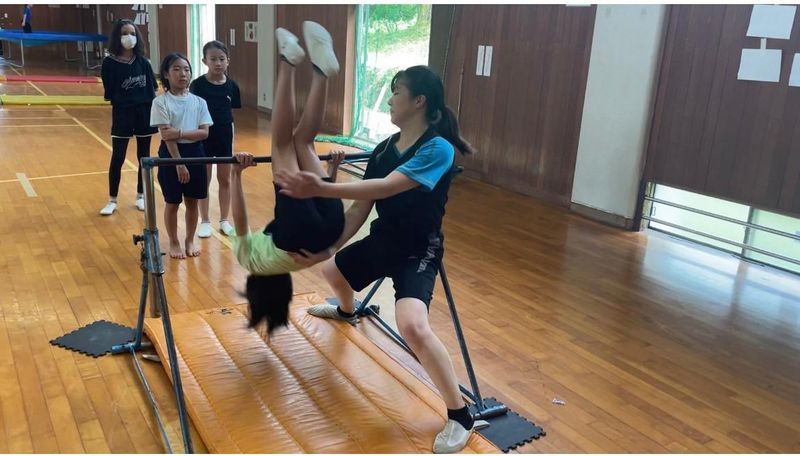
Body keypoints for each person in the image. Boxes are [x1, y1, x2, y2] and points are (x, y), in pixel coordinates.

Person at [274, 65, 483, 454]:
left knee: (412, 325)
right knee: (332, 269)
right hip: (384, 239)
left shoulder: (437, 148)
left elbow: (387, 187)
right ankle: (347, 311)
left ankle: (460, 416)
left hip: (418, 249)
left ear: (419, 101)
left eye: (396, 92)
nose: (389, 99)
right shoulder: (386, 148)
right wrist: (328, 248)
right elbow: (361, 207)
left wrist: (320, 187)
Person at [230, 21, 343, 334]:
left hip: (331, 230)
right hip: (296, 231)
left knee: (303, 142)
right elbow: (240, 220)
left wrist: (331, 173)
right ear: (253, 289)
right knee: (281, 144)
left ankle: (321, 73)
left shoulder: (293, 265)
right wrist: (236, 176)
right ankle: (288, 62)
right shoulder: (251, 262)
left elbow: (317, 209)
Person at [150, 52, 213, 259]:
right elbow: (166, 136)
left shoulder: (199, 102)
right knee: (172, 202)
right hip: (171, 154)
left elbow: (204, 133)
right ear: (166, 74)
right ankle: (174, 241)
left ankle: (189, 239)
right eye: (176, 69)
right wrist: (178, 163)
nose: (182, 74)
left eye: (186, 69)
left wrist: (179, 132)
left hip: (196, 153)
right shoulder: (160, 102)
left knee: (193, 201)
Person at [99, 19, 158, 216]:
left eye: (132, 33)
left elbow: (152, 88)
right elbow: (109, 92)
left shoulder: (143, 62)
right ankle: (112, 200)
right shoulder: (109, 63)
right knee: (118, 157)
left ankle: (141, 196)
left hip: (144, 113)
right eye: (124, 33)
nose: (129, 37)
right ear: (117, 36)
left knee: (144, 156)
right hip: (122, 113)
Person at [190, 40, 242, 238]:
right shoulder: (197, 85)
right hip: (203, 135)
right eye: (213, 59)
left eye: (222, 59)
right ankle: (204, 220)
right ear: (205, 61)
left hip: (224, 135)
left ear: (228, 61)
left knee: (224, 179)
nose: (218, 63)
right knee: (204, 178)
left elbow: (233, 112)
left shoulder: (232, 86)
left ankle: (224, 220)